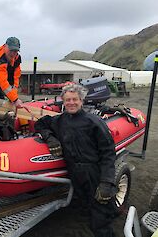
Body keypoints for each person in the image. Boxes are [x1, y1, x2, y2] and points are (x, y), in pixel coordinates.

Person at [34, 84, 118, 237]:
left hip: (94, 172)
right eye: (67, 100)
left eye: (74, 99)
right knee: (84, 208)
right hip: (74, 172)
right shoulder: (59, 121)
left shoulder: (94, 122)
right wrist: (50, 138)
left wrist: (107, 181)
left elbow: (108, 153)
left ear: (81, 101)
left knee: (100, 215)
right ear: (63, 102)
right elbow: (40, 124)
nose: (71, 103)